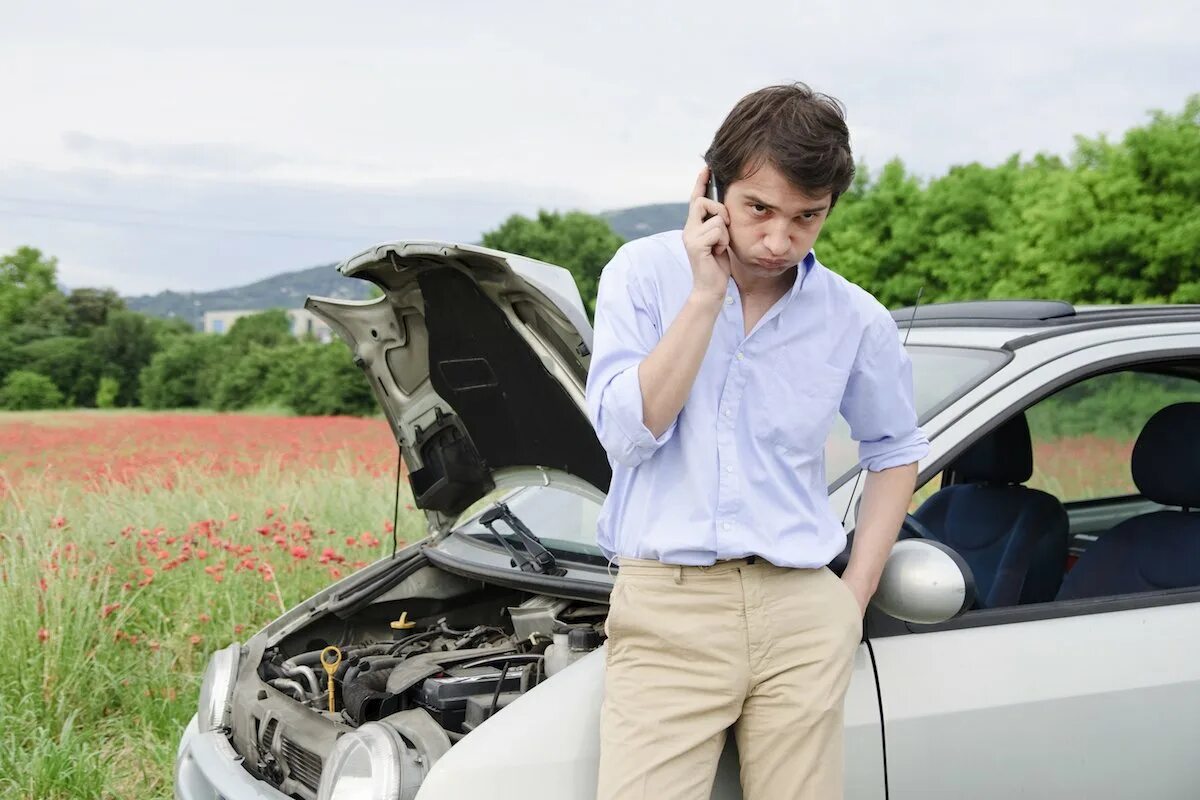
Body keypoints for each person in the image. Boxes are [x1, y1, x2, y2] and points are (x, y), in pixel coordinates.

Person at [584, 82, 930, 800]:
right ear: (712, 188)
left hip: (802, 611)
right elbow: (628, 435)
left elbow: (895, 449)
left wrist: (851, 599)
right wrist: (705, 296)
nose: (779, 240)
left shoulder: (855, 318)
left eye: (808, 217)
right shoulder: (644, 276)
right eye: (759, 210)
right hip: (669, 609)